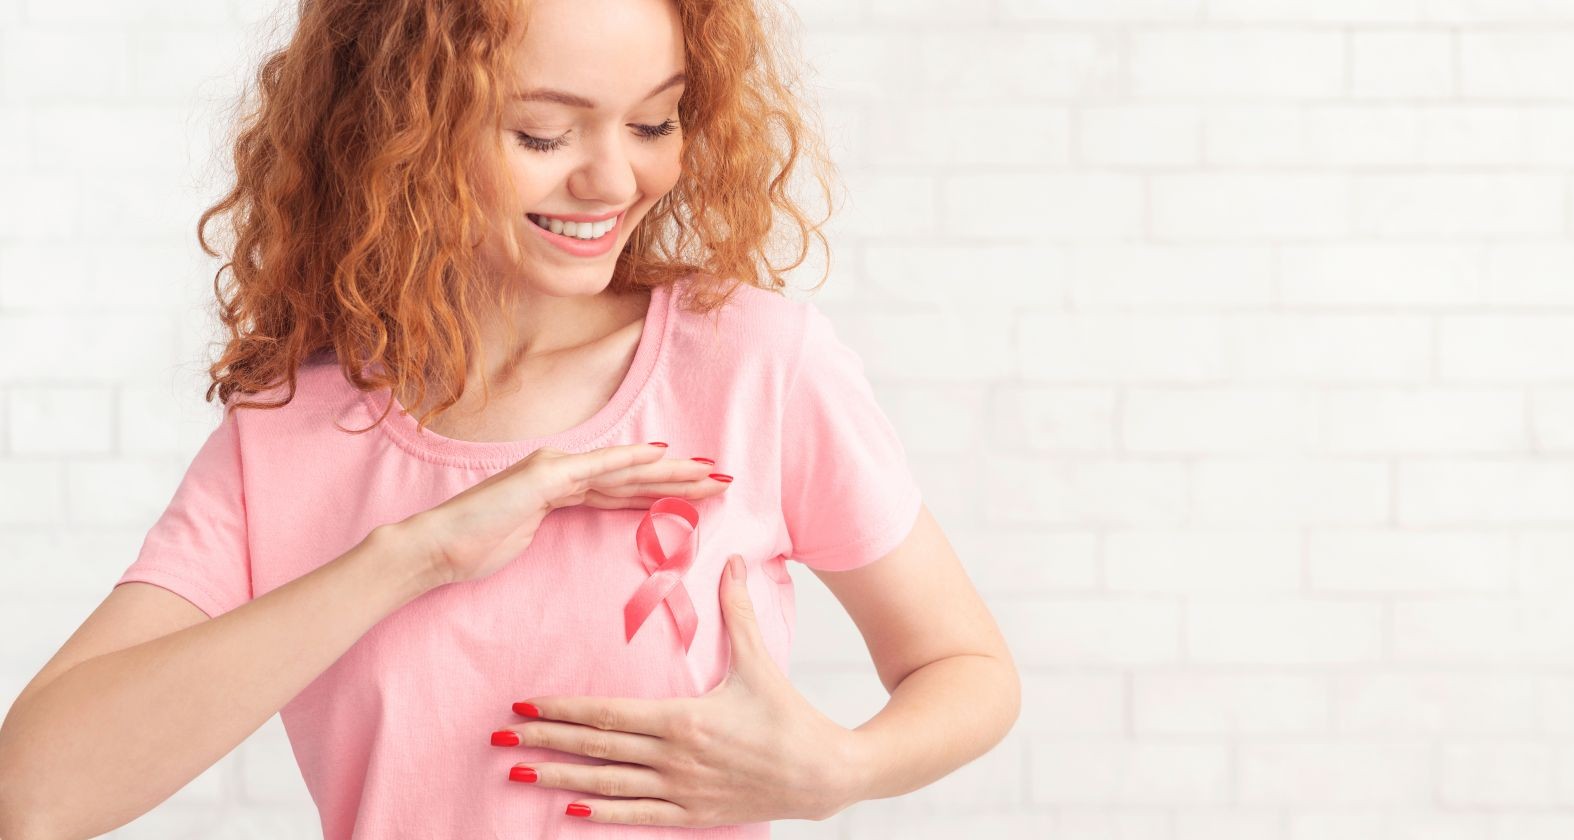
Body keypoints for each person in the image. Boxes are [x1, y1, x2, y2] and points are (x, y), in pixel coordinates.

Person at [0, 0, 1021, 837]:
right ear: (401, 128)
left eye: (654, 122)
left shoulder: (754, 364)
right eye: (543, 133)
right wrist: (417, 555)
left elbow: (967, 669)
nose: (613, 179)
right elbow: (34, 795)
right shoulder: (289, 433)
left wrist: (839, 770)